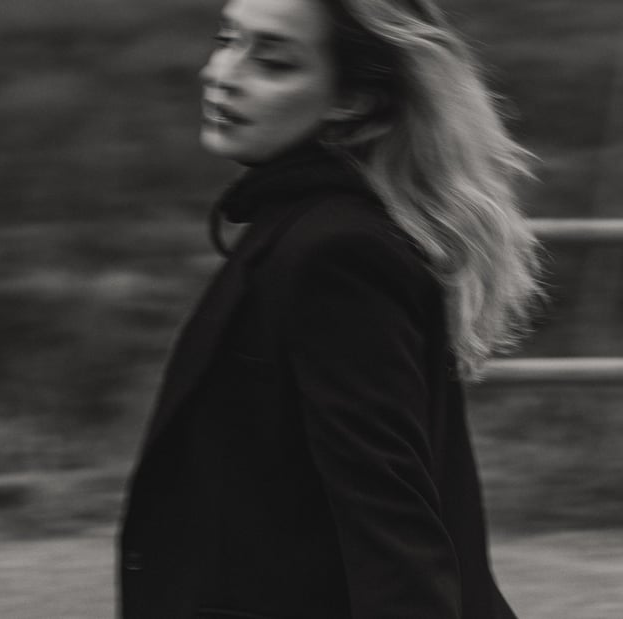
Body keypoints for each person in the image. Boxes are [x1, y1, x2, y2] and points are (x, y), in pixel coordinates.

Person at [118, 0, 542, 617]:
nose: (221, 73)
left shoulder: (336, 252)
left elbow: (386, 509)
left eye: (273, 62)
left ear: (353, 99)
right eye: (227, 39)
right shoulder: (299, 226)